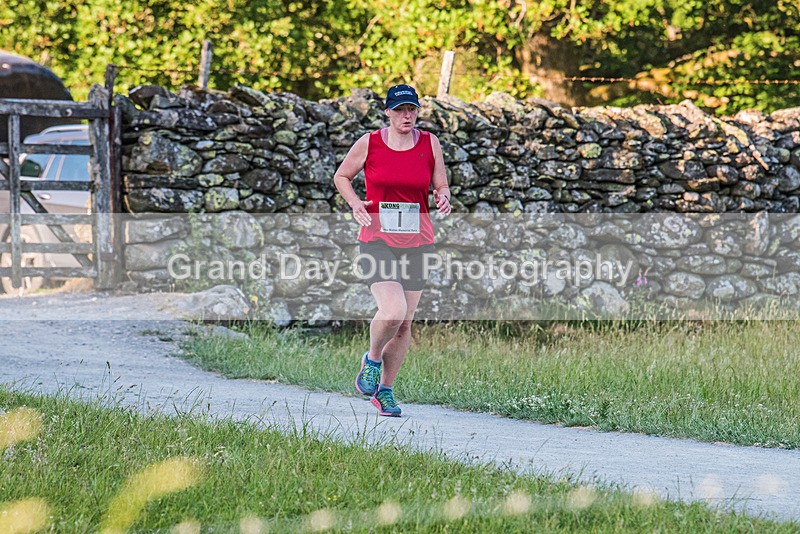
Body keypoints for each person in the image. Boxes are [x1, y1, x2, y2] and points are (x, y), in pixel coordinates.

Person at [333, 84, 451, 417]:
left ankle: (384, 391)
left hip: (419, 242)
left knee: (404, 325)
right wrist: (355, 203)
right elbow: (341, 176)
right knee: (393, 310)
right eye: (399, 110)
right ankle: (371, 359)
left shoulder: (429, 143)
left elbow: (441, 184)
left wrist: (443, 197)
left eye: (411, 109)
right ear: (387, 112)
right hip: (377, 239)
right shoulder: (369, 143)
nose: (407, 116)